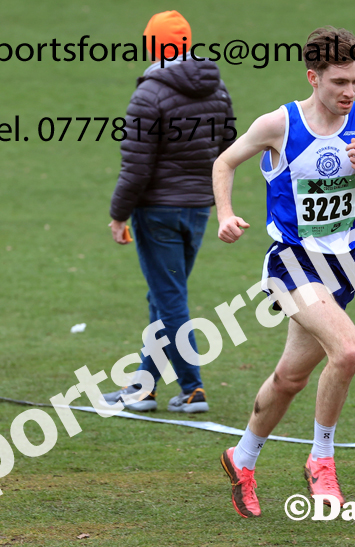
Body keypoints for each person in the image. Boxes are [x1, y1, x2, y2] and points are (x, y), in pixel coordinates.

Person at [212, 26, 355, 517]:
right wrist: (225, 214)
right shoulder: (280, 124)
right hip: (291, 263)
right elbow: (224, 163)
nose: (349, 91)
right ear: (313, 77)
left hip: (342, 267)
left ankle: (241, 458)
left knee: (290, 378)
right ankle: (322, 459)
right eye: (339, 82)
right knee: (349, 351)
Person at [103, 10, 235, 413]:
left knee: (171, 301)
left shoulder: (149, 94)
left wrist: (118, 214)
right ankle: (142, 389)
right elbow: (227, 150)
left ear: (153, 45)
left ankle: (193, 388)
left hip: (157, 211)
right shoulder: (218, 90)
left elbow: (136, 166)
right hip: (198, 210)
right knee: (163, 297)